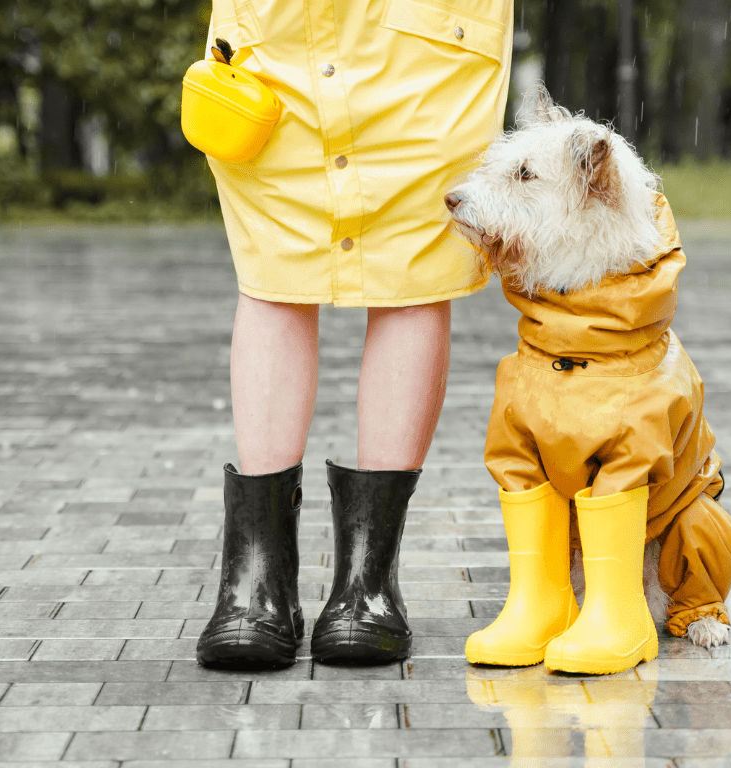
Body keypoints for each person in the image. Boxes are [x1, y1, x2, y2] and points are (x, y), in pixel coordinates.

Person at [195, 0, 514, 669]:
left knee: (414, 268)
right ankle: (257, 583)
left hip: (427, 34)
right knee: (275, 266)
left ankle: (366, 586)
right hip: (277, 28)